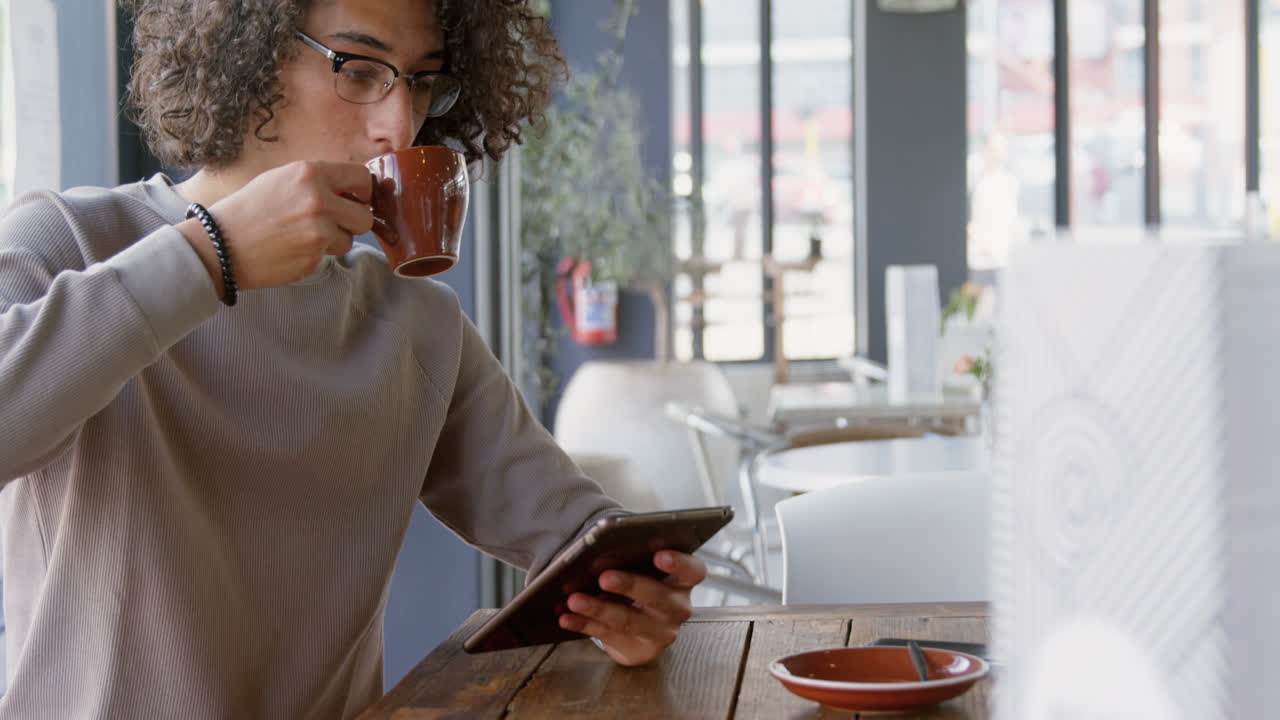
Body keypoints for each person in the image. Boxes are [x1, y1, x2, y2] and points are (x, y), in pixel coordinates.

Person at [0, 0, 707, 717]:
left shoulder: (411, 323)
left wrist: (636, 600)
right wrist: (211, 255)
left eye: (423, 80)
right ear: (245, 56)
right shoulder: (71, 244)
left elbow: (575, 534)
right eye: (361, 70)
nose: (399, 127)